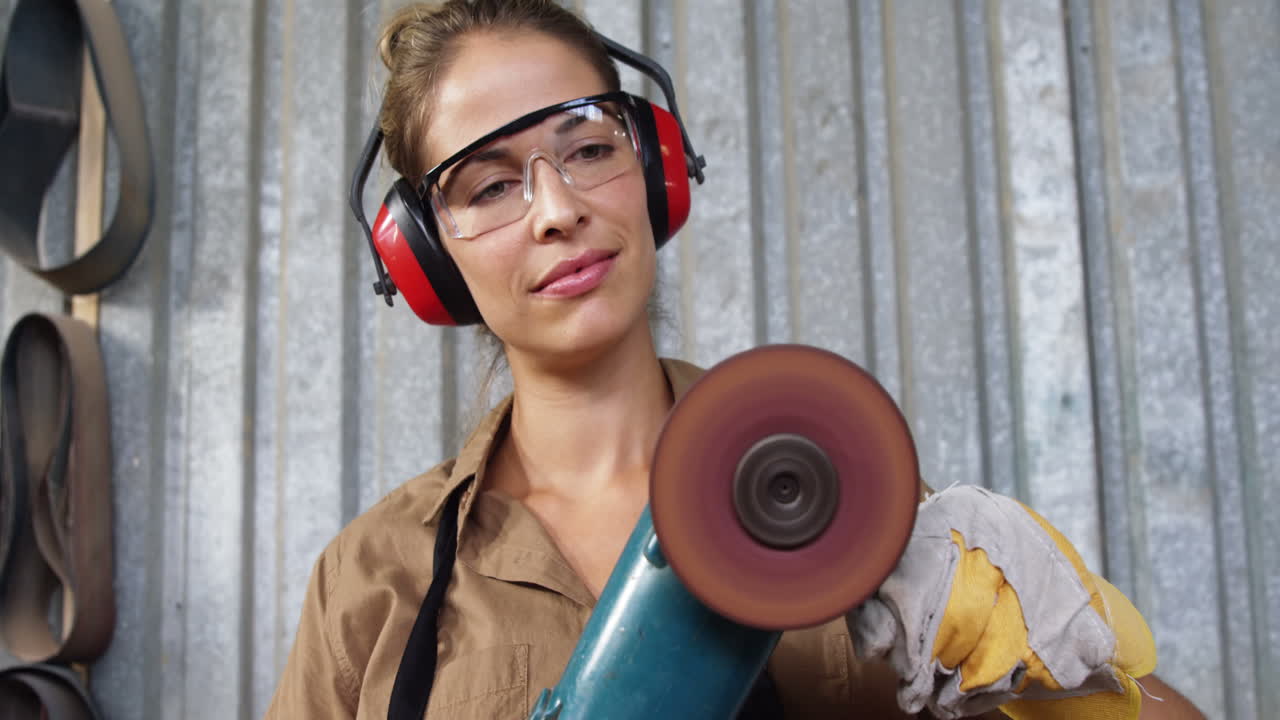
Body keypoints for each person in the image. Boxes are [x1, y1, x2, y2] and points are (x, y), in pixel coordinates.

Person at [266, 1, 1206, 718]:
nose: (556, 209)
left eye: (587, 146)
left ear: (655, 170)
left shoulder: (855, 508)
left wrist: (1055, 678)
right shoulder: (372, 581)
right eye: (491, 184)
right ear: (428, 260)